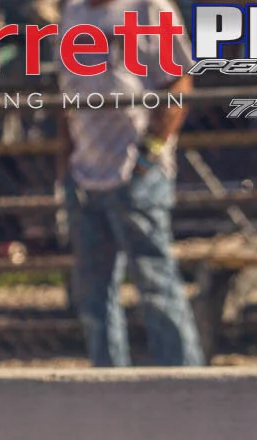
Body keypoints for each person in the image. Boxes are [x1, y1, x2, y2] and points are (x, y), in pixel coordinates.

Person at [58, 0, 204, 366]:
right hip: (86, 171)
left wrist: (149, 152)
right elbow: (64, 92)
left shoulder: (148, 7)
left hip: (137, 171)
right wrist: (66, 162)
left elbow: (178, 82)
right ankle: (108, 383)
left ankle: (183, 382)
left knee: (156, 285)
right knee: (93, 293)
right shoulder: (72, 11)